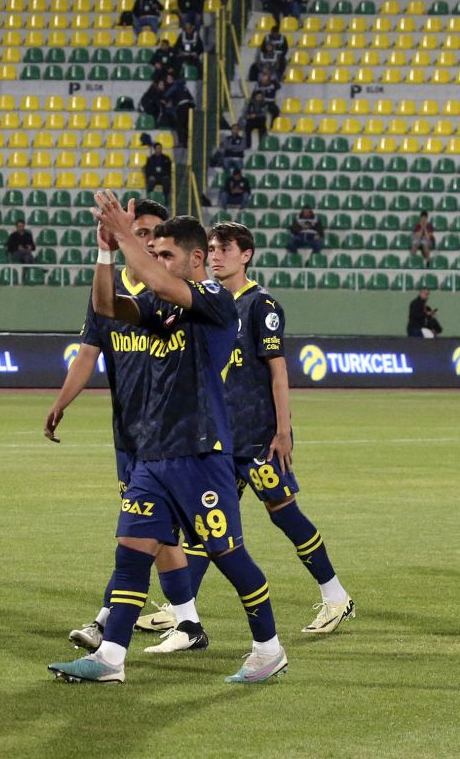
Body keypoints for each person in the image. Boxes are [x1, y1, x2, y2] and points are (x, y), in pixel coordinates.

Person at [47, 194, 288, 684]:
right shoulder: (165, 306)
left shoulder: (216, 303)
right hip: (153, 453)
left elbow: (155, 282)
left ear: (195, 259)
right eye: (153, 255)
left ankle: (268, 648)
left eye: (166, 255)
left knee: (228, 554)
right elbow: (107, 305)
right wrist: (106, 254)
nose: (157, 264)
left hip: (199, 450)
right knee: (132, 546)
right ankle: (111, 657)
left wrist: (123, 234)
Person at [180, 222, 356, 643]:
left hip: (257, 437)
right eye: (211, 248)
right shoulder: (212, 303)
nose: (215, 255)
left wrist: (283, 430)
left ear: (246, 255)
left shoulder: (261, 305)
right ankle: (182, 613)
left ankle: (336, 595)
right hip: (222, 436)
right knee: (207, 523)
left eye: (224, 248)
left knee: (284, 513)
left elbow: (278, 371)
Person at [48, 200, 201, 652]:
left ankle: (107, 621)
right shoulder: (110, 291)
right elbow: (89, 351)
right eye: (139, 232)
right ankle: (188, 623)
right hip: (129, 433)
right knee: (156, 532)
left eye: (155, 233)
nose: (148, 241)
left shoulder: (174, 292)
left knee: (142, 531)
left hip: (171, 436)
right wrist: (61, 402)